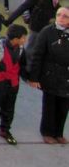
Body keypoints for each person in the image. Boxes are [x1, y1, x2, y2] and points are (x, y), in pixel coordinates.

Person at [28, 7, 69, 144]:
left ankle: (58, 133)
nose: (61, 18)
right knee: (50, 105)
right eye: (59, 15)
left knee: (64, 107)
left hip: (66, 77)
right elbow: (37, 55)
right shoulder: (47, 32)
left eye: (65, 16)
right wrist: (34, 77)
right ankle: (47, 132)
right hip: (50, 74)